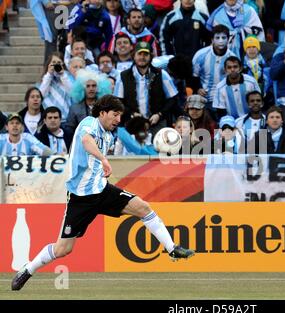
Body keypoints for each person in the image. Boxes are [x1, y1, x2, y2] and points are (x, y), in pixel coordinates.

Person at [11, 95, 195, 291]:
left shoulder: (110, 134)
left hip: (102, 190)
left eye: (120, 116)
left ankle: (172, 249)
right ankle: (28, 269)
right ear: (102, 113)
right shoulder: (89, 123)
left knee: (143, 208)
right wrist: (104, 159)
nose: (117, 119)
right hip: (80, 197)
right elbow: (86, 140)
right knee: (62, 249)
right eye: (115, 115)